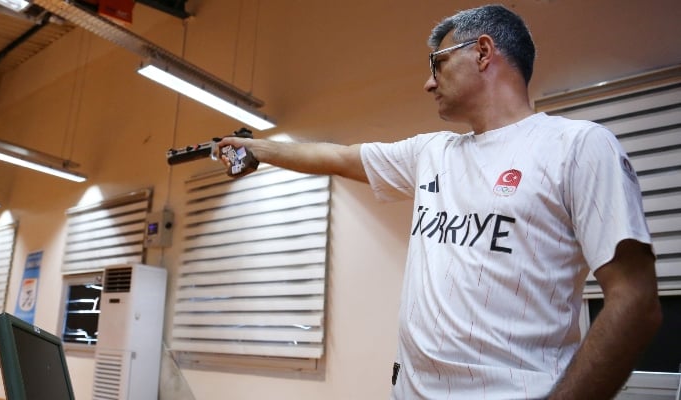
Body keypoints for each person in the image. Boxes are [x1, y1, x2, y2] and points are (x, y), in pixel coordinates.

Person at [217, 4, 661, 399]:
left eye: (438, 63)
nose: (428, 82)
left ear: (483, 52)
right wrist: (257, 149)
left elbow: (635, 303)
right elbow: (337, 155)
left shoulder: (578, 146)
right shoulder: (433, 152)